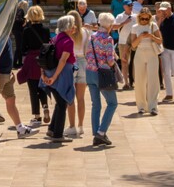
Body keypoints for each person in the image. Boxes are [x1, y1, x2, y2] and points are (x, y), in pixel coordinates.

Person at [0, 39, 39, 140]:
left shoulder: (6, 36)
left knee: (11, 100)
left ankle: (20, 129)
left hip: (6, 74)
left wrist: (10, 71)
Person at [40, 14, 76, 143]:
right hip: (62, 74)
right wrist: (55, 77)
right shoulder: (68, 41)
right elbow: (63, 60)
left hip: (50, 73)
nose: (74, 27)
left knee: (59, 102)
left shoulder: (54, 39)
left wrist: (43, 75)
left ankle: (52, 129)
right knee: (62, 103)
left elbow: (44, 56)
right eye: (73, 24)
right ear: (68, 27)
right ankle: (57, 135)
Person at [85, 12, 118, 147]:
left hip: (89, 72)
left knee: (96, 104)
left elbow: (87, 54)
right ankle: (101, 132)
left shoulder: (92, 36)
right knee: (112, 103)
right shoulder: (108, 39)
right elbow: (110, 60)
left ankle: (96, 134)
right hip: (102, 74)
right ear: (109, 25)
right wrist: (114, 61)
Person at [19, 5, 51, 126]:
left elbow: (23, 48)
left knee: (33, 89)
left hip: (32, 60)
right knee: (42, 86)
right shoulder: (46, 29)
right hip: (43, 60)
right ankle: (45, 106)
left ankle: (37, 116)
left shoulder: (27, 30)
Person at [131, 7, 162, 115]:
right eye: (142, 18)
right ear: (139, 17)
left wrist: (151, 36)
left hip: (152, 54)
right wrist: (140, 37)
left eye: (147, 19)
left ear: (150, 18)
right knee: (139, 80)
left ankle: (153, 106)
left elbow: (160, 41)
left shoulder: (153, 25)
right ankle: (141, 106)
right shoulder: (135, 27)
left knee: (153, 80)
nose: (144, 21)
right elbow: (133, 45)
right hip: (139, 54)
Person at [65, 10, 89, 138]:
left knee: (70, 97)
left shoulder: (67, 32)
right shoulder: (85, 32)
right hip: (83, 62)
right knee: (81, 98)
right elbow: (86, 50)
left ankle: (72, 126)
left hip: (71, 62)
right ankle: (81, 125)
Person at [113, 0, 135, 90]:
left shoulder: (136, 16)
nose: (131, 7)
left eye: (132, 5)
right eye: (129, 5)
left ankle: (133, 82)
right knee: (124, 62)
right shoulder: (120, 16)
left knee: (134, 63)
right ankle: (126, 83)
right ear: (124, 6)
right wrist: (124, 22)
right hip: (122, 42)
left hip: (134, 42)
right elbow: (114, 27)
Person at [12, 0, 29, 68]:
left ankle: (19, 62)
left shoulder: (17, 10)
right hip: (18, 30)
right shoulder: (20, 10)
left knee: (19, 47)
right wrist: (25, 20)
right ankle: (15, 63)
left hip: (16, 30)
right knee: (19, 47)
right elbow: (18, 19)